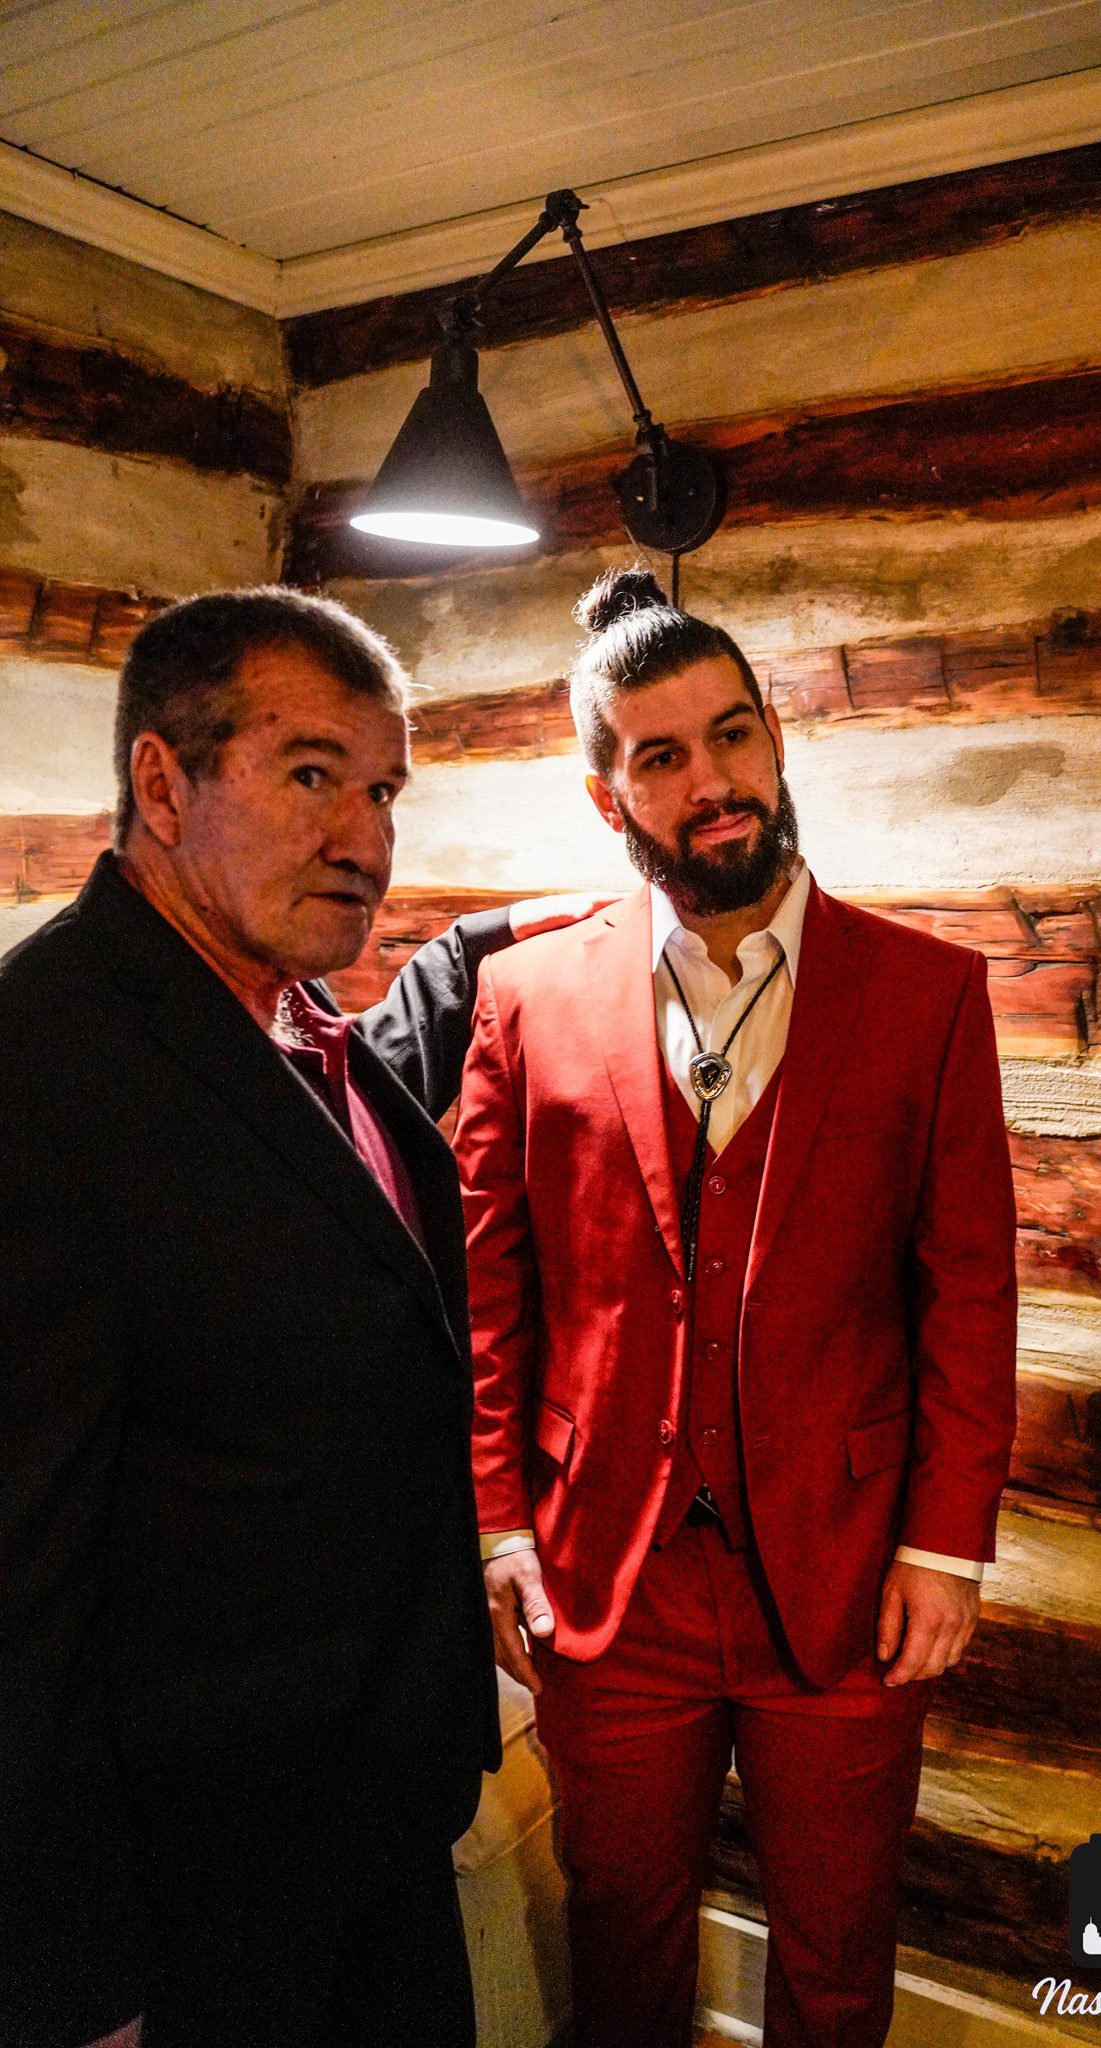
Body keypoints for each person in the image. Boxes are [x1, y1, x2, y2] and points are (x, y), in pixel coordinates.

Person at [387, 567, 1019, 2047]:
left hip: (851, 1568)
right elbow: (492, 1291)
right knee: (622, 1936)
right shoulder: (525, 998)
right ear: (607, 795)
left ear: (776, 741)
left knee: (836, 1950)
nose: (711, 780)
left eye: (732, 735)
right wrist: (497, 1525)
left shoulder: (926, 994)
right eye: (661, 755)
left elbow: (969, 1288)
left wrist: (945, 1543)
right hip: (608, 1577)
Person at [0, 587, 593, 2048]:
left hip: (370, 1818)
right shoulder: (45, 1063)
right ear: (162, 785)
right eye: (311, 773)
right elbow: (18, 1573)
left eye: (382, 789)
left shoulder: (302, 1023)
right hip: (194, 1881)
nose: (364, 839)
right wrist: (74, 1974)